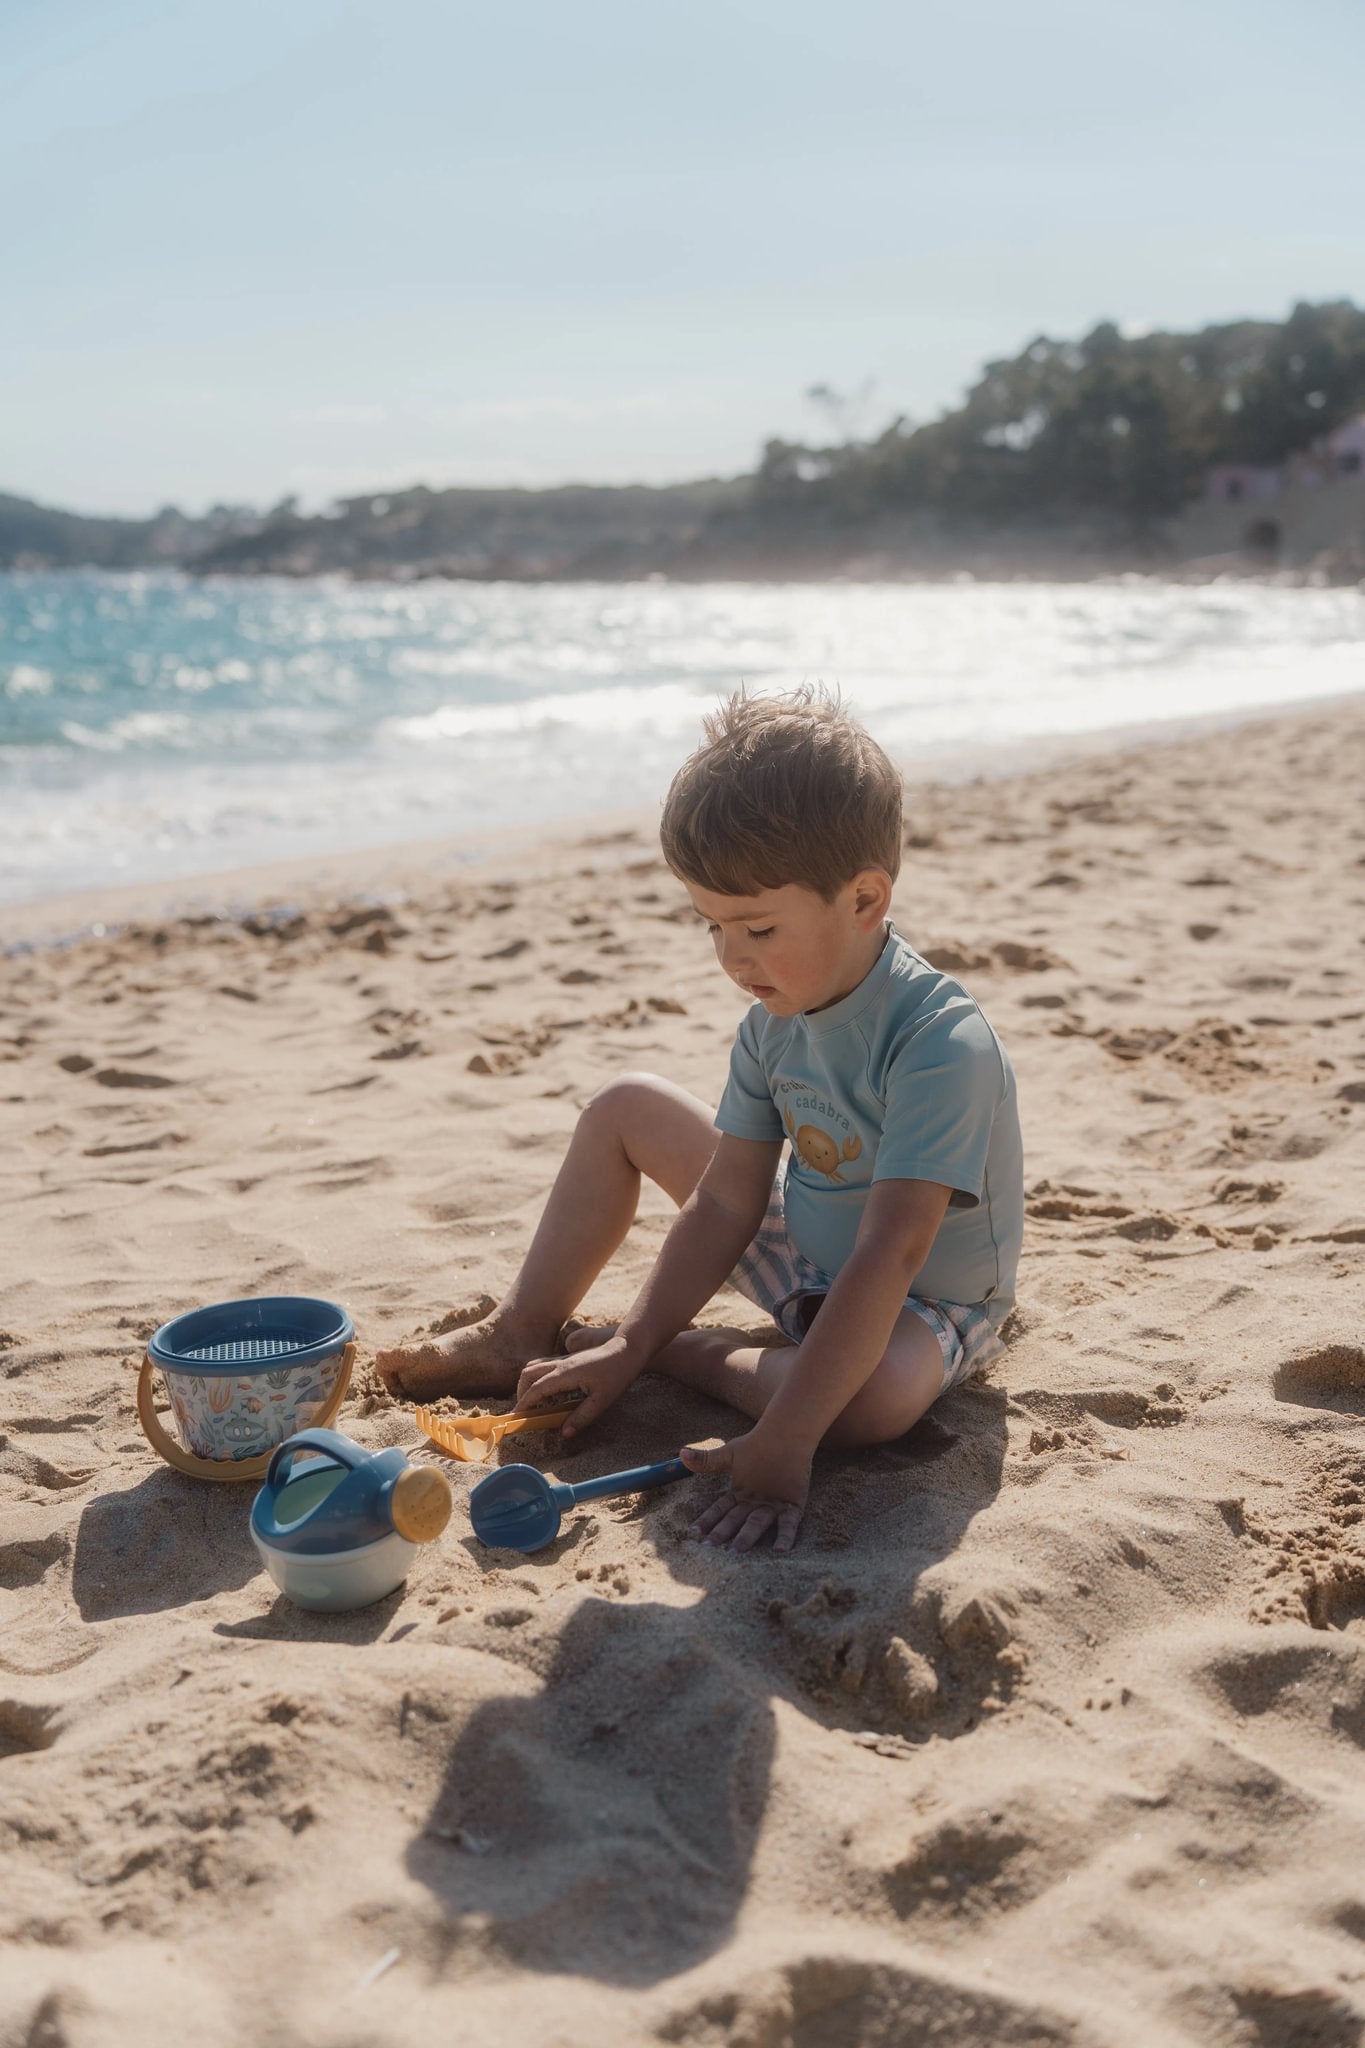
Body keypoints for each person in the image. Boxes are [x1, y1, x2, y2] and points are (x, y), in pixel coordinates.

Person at [377, 688, 1023, 1553]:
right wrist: (632, 1338)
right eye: (710, 925)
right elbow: (725, 1205)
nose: (730, 956)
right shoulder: (771, 1024)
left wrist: (783, 1437)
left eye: (756, 925)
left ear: (865, 898)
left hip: (920, 1296)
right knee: (624, 1107)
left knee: (867, 1406)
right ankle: (522, 1328)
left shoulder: (940, 1042)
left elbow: (892, 1251)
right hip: (816, 1252)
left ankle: (700, 1356)